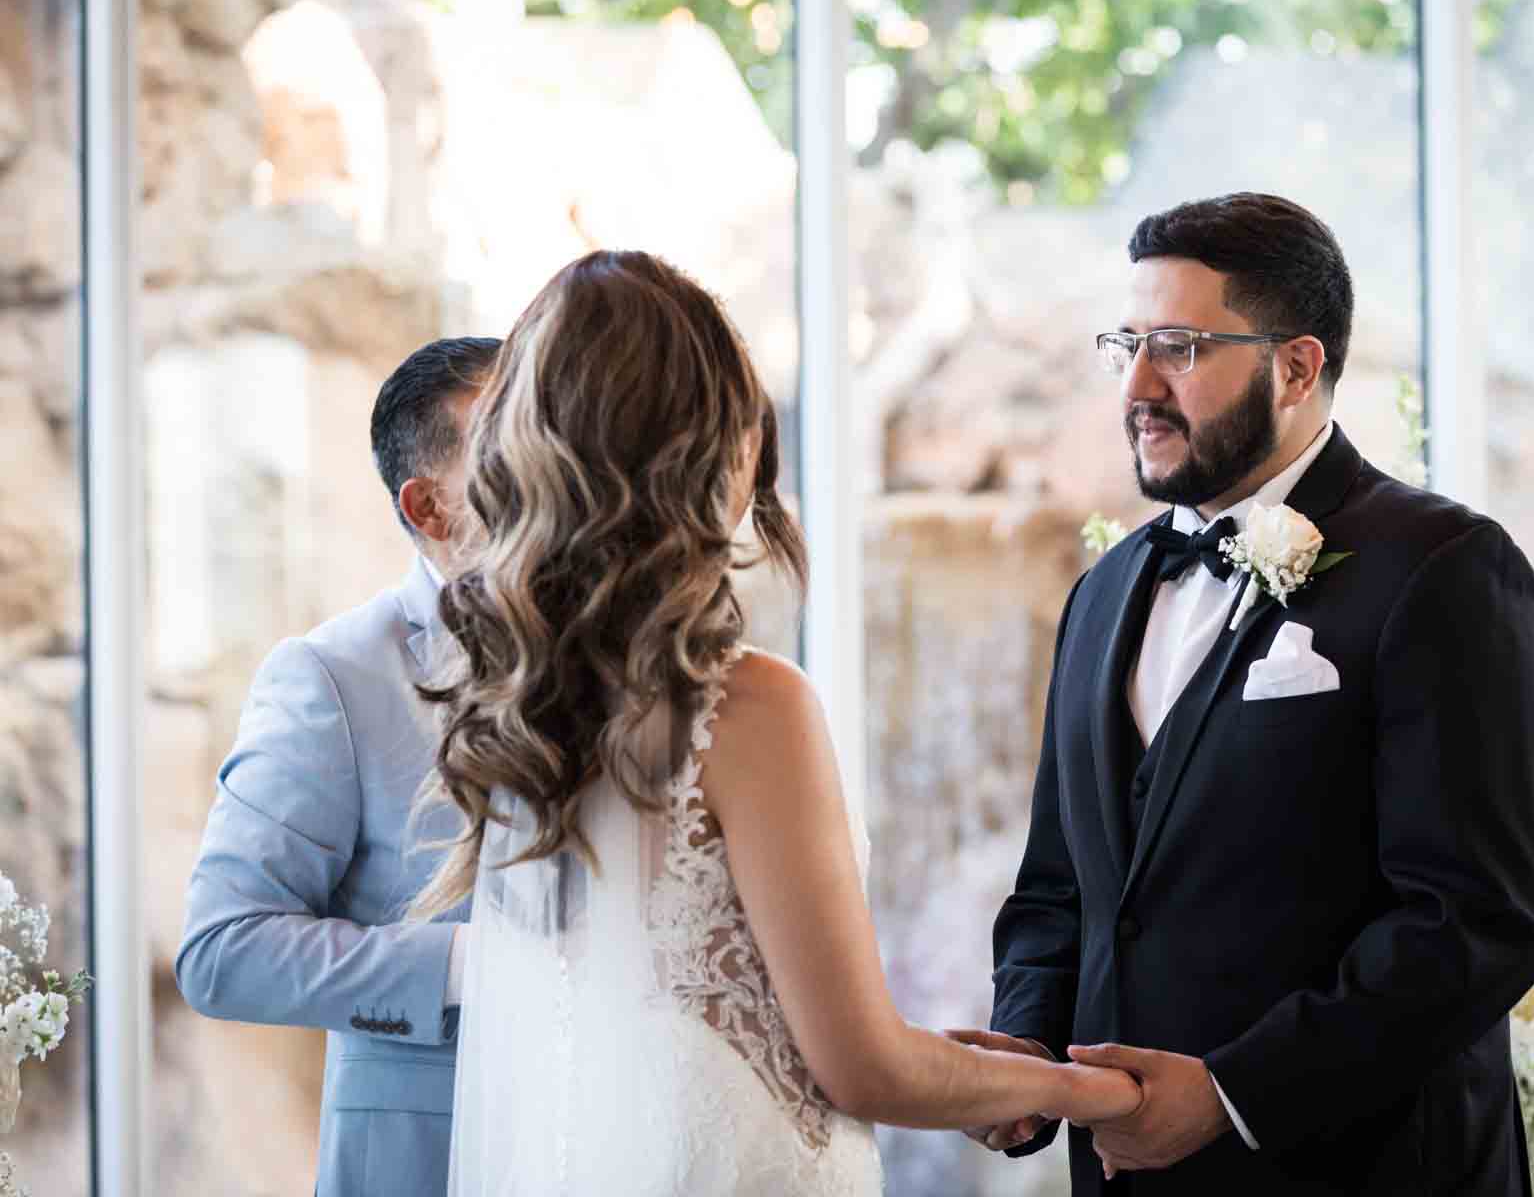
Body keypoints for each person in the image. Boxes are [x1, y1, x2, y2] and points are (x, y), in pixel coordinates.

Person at [411, 249, 1142, 1196]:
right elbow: (861, 1068)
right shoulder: (745, 706)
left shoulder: (510, 696)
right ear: (722, 444)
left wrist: (982, 1072)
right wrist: (1094, 1092)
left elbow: (714, 1011)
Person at [967, 193, 1534, 1195]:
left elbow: (1476, 920)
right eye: (1128, 345)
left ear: (1297, 367)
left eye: (1183, 348)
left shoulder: (1447, 571)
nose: (1139, 388)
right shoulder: (1104, 592)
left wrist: (1232, 1093)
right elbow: (1060, 887)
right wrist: (1025, 1048)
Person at [176, 336, 500, 1197]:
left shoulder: (623, 656)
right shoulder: (331, 676)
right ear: (429, 509)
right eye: (511, 448)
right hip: (426, 1161)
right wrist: (470, 965)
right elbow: (222, 949)